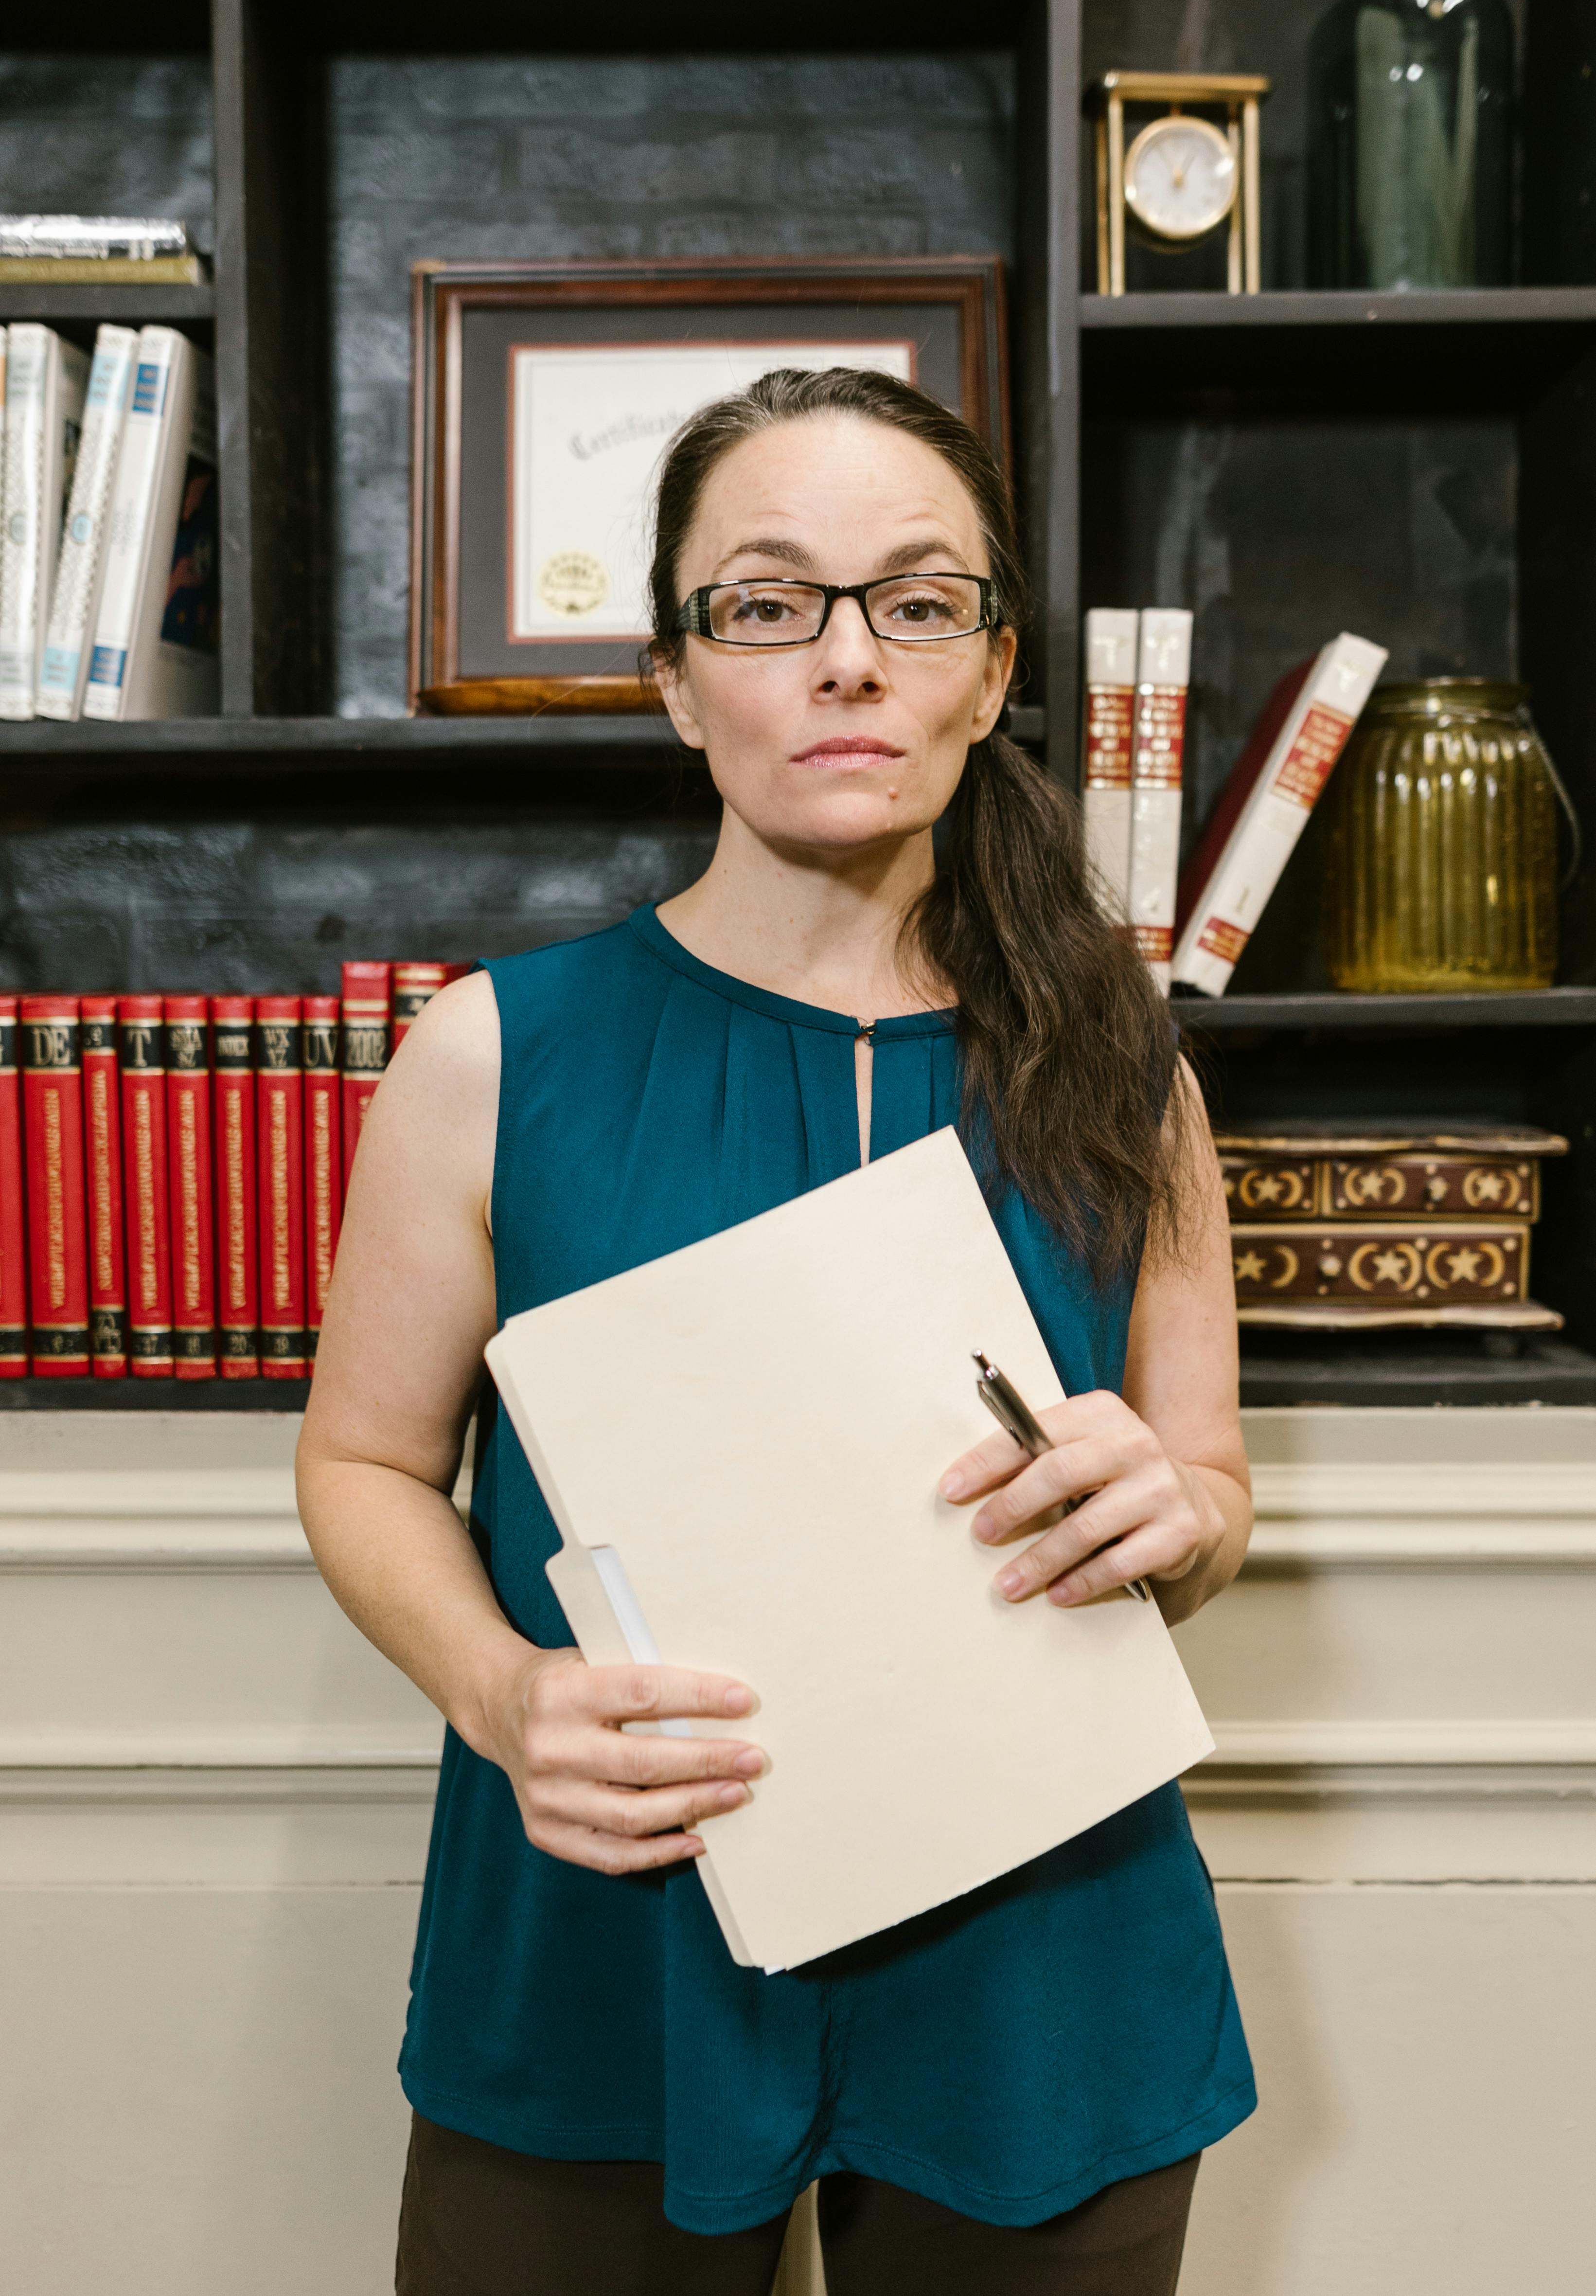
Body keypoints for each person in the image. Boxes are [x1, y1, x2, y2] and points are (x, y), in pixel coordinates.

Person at [297, 367, 1256, 2296]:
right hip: (602, 1932)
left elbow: (1208, 1490)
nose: (845, 662)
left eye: (913, 603)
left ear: (988, 675)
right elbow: (363, 1462)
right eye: (766, 601)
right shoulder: (492, 1055)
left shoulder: (1127, 1074)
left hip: (1043, 1956)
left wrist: (1175, 1515)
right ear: (676, 677)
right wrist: (502, 1697)